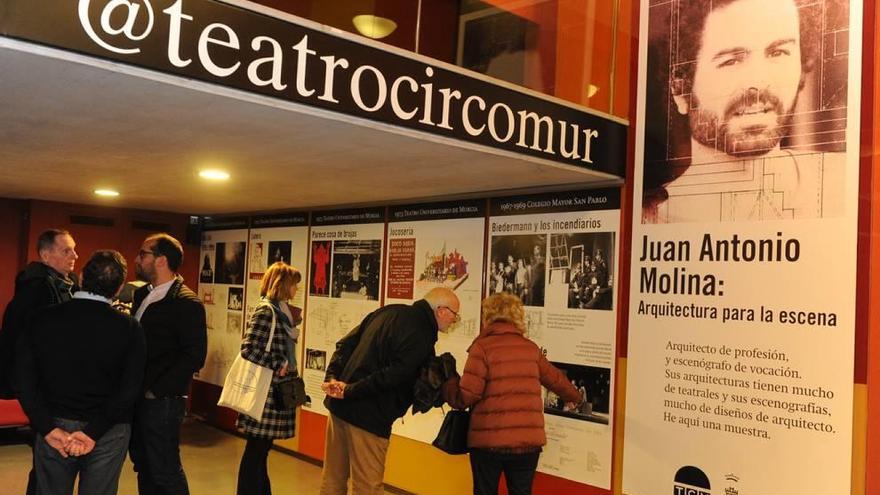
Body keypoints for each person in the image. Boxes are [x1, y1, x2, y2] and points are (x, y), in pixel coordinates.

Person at [642, 0, 843, 222]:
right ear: (680, 89)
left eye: (777, 53)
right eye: (731, 61)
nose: (758, 83)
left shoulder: (843, 183)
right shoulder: (649, 219)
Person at [15, 250, 145, 495]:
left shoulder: (42, 319)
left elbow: (23, 380)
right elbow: (129, 390)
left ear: (81, 277)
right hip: (109, 429)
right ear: (118, 290)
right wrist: (92, 432)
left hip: (54, 422)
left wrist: (46, 427)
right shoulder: (130, 328)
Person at [318, 287, 461, 495]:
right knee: (367, 487)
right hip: (369, 418)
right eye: (455, 315)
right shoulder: (421, 334)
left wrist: (332, 378)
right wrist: (349, 391)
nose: (454, 320)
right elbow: (392, 376)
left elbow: (345, 344)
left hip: (339, 410)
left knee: (332, 479)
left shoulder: (387, 312)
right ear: (441, 310)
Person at [443, 293, 583, 495]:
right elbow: (556, 379)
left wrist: (449, 384)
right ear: (518, 316)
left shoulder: (482, 348)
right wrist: (574, 398)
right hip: (527, 443)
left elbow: (466, 397)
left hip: (488, 443)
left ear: (488, 316)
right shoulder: (531, 349)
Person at [0, 228, 79, 495]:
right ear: (45, 255)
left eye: (74, 249)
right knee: (48, 461)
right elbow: (18, 342)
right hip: (43, 388)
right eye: (66, 250)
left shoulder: (66, 287)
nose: (74, 256)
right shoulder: (35, 292)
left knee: (47, 462)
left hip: (56, 386)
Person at [129, 233, 207, 495]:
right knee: (144, 465)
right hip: (137, 397)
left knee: (165, 469)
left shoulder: (186, 302)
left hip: (162, 401)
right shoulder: (142, 294)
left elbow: (195, 355)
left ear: (161, 260)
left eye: (143, 254)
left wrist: (157, 390)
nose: (137, 259)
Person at [236, 262, 303, 495]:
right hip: (265, 393)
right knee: (256, 450)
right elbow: (248, 348)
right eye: (294, 285)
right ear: (283, 284)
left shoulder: (282, 312)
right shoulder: (267, 311)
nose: (296, 290)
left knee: (260, 450)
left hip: (272, 393)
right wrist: (279, 363)